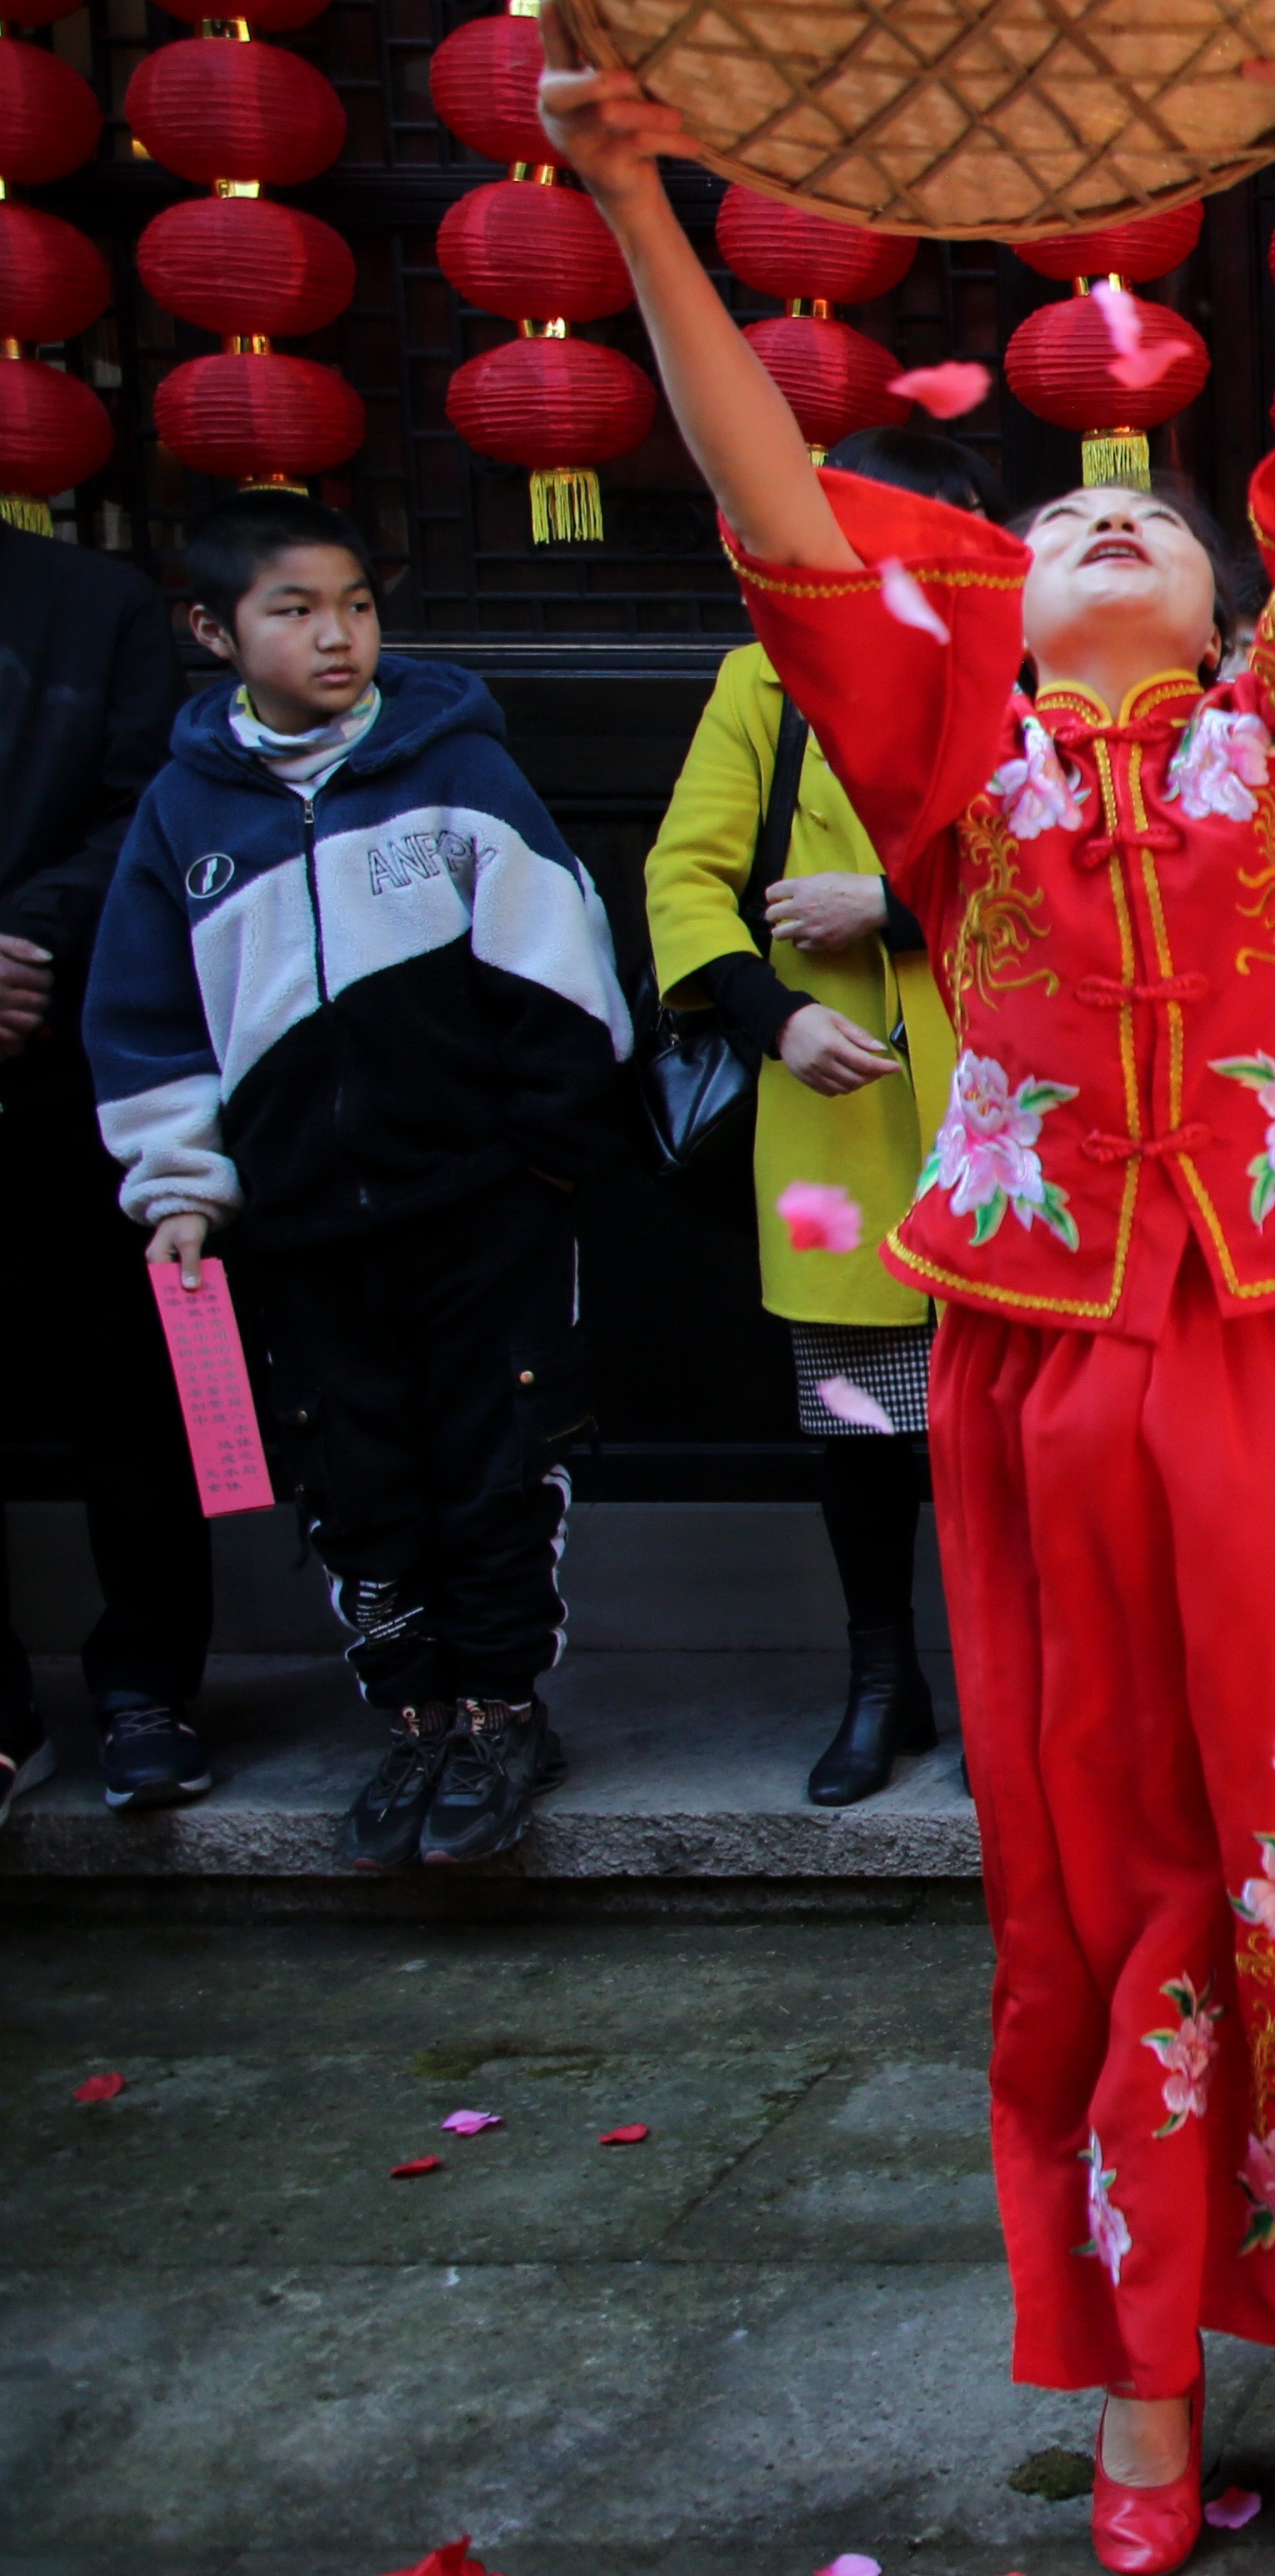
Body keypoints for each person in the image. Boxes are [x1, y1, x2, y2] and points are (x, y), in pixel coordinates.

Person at [557, 0, 1275, 2576]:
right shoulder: (937, 768)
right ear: (1002, 619)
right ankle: (1139, 2351)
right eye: (1070, 523)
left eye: (1163, 518)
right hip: (1043, 1368)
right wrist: (646, 208)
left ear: (1237, 602)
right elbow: (778, 491)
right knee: (1100, 1860)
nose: (1111, 524)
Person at [84, 492, 632, 1872]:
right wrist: (182, 1188)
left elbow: (563, 973)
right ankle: (414, 1715)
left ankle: (505, 1710)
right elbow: (145, 1019)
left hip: (481, 1207)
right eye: (294, 610)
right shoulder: (181, 813)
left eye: (356, 606)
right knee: (356, 1473)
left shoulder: (453, 770)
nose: (337, 637)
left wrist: (544, 1156)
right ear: (210, 631)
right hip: (296, 1222)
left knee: (496, 1459)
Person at [647, 420, 990, 1809]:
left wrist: (893, 912)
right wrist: (773, 1014)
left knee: (1007, 1440)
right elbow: (686, 878)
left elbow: (1072, 879)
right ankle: (880, 1680)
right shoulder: (759, 684)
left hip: (1007, 1124)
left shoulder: (1014, 681)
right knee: (862, 1430)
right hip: (831, 1128)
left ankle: (1003, 1691)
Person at [0, 518, 213, 1814]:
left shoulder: (92, 599)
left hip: (86, 1058)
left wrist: (22, 942)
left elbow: (146, 799)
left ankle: (151, 1688)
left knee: (133, 1395)